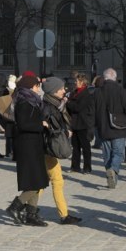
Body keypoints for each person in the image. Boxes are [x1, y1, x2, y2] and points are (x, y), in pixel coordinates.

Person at [6, 74, 49, 226]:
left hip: (34, 144)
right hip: (27, 145)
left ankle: (31, 214)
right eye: (38, 86)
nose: (40, 89)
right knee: (36, 181)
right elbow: (24, 125)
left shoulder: (33, 101)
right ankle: (15, 206)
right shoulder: (24, 102)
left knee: (37, 181)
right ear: (31, 87)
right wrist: (41, 125)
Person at [40, 77, 81, 224]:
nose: (64, 91)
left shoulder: (54, 104)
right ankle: (63, 215)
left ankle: (27, 206)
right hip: (48, 149)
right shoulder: (48, 107)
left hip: (47, 149)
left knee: (43, 181)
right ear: (54, 91)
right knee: (57, 181)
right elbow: (47, 130)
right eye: (61, 89)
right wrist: (64, 133)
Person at [93, 67, 126, 189]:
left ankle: (111, 176)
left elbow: (92, 111)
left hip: (104, 128)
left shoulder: (97, 92)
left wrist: (93, 127)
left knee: (107, 154)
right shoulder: (122, 91)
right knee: (118, 153)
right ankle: (113, 170)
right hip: (120, 128)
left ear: (104, 78)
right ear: (115, 78)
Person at [66, 73, 94, 173]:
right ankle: (75, 166)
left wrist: (68, 103)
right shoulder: (75, 92)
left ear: (82, 82)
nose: (75, 83)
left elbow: (78, 107)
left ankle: (87, 167)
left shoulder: (87, 93)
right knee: (75, 146)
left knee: (85, 147)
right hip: (75, 123)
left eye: (77, 81)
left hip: (84, 123)